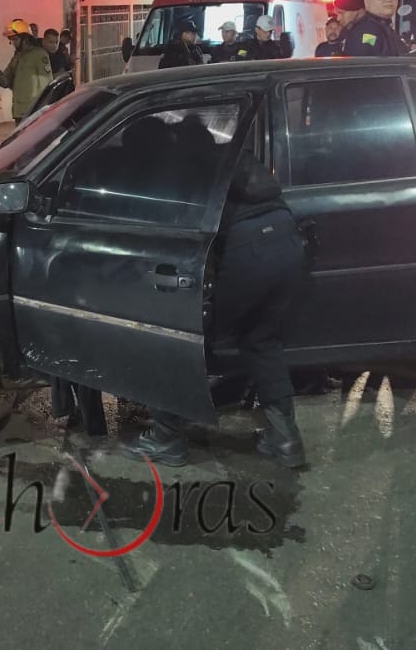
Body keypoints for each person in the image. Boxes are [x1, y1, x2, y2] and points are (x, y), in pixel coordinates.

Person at [119, 152, 307, 468]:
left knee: (176, 339)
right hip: (286, 239)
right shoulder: (233, 153)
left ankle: (166, 438)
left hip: (244, 247)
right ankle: (285, 439)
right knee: (262, 341)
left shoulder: (185, 163)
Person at [339, 0, 408, 57]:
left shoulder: (385, 29)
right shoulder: (365, 32)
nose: (389, 0)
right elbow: (363, 67)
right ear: (367, 2)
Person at [1, 19, 53, 123]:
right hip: (19, 111)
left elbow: (46, 84)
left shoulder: (39, 55)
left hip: (33, 111)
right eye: (11, 40)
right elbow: (5, 81)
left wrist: (43, 109)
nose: (13, 43)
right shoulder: (17, 57)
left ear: (25, 38)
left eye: (15, 39)